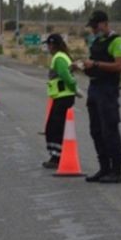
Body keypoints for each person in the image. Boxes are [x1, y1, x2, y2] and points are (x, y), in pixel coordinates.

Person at [75, 10, 121, 183]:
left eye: (95, 26)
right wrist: (81, 65)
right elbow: (93, 64)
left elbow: (119, 66)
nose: (93, 30)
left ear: (104, 23)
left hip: (108, 89)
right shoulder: (97, 41)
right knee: (96, 130)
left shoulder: (117, 41)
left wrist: (95, 63)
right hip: (95, 87)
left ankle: (116, 171)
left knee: (110, 129)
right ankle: (104, 168)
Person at [42, 33, 77, 169]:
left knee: (55, 128)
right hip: (61, 96)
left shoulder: (59, 57)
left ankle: (57, 157)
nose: (47, 48)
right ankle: (55, 156)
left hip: (64, 96)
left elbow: (65, 75)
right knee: (53, 127)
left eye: (48, 45)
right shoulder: (61, 56)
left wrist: (75, 88)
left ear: (52, 45)